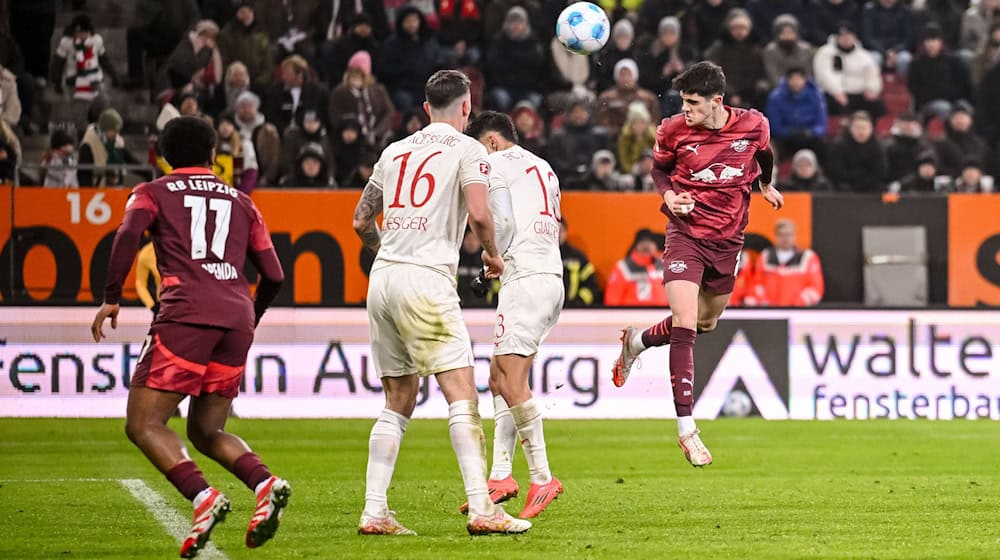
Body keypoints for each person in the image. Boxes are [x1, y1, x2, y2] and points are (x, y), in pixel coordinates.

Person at [89, 116, 289, 558]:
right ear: (213, 155)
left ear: (162, 155)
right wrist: (251, 315)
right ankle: (265, 483)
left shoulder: (152, 192)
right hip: (236, 317)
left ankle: (203, 497)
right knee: (206, 428)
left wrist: (110, 296)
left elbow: (127, 234)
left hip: (185, 314)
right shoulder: (242, 201)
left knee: (143, 423)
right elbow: (274, 273)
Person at [350, 70, 531, 535]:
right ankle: (482, 508)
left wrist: (387, 250)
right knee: (461, 395)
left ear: (426, 107)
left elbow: (360, 219)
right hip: (427, 281)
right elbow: (478, 212)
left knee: (399, 398)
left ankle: (374, 511)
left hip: (384, 278)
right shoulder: (470, 150)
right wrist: (491, 255)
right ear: (467, 109)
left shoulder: (394, 151)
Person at [610, 61, 784, 466]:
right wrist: (669, 198)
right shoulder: (672, 130)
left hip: (729, 241)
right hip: (685, 234)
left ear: (716, 102)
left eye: (692, 102)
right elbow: (658, 169)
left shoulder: (754, 124)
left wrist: (765, 183)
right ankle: (687, 428)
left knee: (707, 323)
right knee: (686, 322)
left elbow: (765, 154)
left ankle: (637, 341)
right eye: (683, 101)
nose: (684, 109)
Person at [463, 110, 564, 518]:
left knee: (512, 381)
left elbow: (499, 217)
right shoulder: (544, 167)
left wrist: (492, 254)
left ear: (489, 142)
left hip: (525, 278)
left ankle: (542, 478)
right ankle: (501, 474)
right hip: (548, 278)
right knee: (497, 376)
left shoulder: (495, 163)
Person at [744, 219, 824, 306]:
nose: (785, 238)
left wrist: (799, 303)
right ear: (776, 236)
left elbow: (816, 287)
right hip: (770, 312)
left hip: (797, 312)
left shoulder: (808, 257)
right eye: (781, 235)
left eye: (789, 234)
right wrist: (763, 302)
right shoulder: (766, 256)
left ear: (794, 235)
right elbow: (757, 283)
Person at [765, 67, 828, 161]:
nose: (796, 82)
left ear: (805, 79)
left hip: (809, 136)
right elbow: (774, 124)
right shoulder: (776, 97)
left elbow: (821, 123)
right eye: (793, 79)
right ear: (787, 80)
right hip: (785, 137)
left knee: (823, 144)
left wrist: (811, 132)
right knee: (772, 147)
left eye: (799, 78)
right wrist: (789, 132)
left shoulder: (816, 95)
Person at [604, 229, 670, 306]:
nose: (646, 246)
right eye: (642, 242)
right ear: (636, 245)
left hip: (662, 314)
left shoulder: (663, 265)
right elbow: (612, 299)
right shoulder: (624, 267)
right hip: (632, 316)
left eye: (650, 242)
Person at [826, 110, 888, 192]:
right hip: (845, 184)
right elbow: (836, 170)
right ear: (850, 128)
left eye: (865, 128)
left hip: (870, 186)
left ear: (871, 129)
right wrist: (854, 178)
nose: (861, 132)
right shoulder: (839, 145)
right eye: (858, 128)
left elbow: (880, 171)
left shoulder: (877, 147)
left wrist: (864, 182)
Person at [559, 219, 603, 307]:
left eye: (561, 231)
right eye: (555, 231)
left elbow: (591, 286)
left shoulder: (577, 257)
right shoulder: (540, 256)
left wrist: (578, 303)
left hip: (573, 312)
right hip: (546, 311)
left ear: (566, 232)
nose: (558, 235)